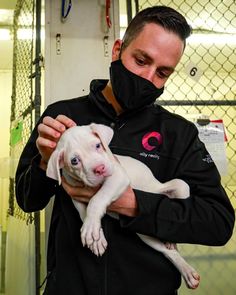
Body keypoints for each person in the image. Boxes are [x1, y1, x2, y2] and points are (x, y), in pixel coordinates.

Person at [15, 5, 234, 295]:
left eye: (163, 72)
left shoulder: (178, 134)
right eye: (142, 60)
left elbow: (217, 222)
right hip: (70, 287)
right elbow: (27, 200)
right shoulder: (63, 117)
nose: (148, 78)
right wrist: (44, 165)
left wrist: (133, 204)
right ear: (118, 49)